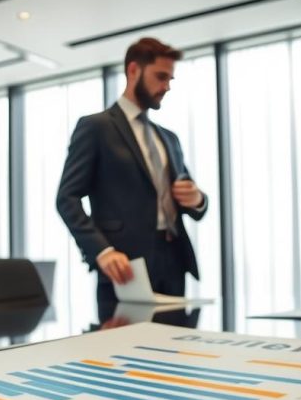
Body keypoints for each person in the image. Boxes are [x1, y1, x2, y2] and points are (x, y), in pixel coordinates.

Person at [57, 37, 207, 311]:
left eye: (171, 79)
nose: (167, 87)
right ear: (134, 70)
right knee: (121, 351)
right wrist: (102, 251)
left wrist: (197, 198)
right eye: (161, 77)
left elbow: (193, 201)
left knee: (177, 348)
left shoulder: (169, 139)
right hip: (125, 268)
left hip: (175, 260)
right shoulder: (96, 127)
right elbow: (67, 198)